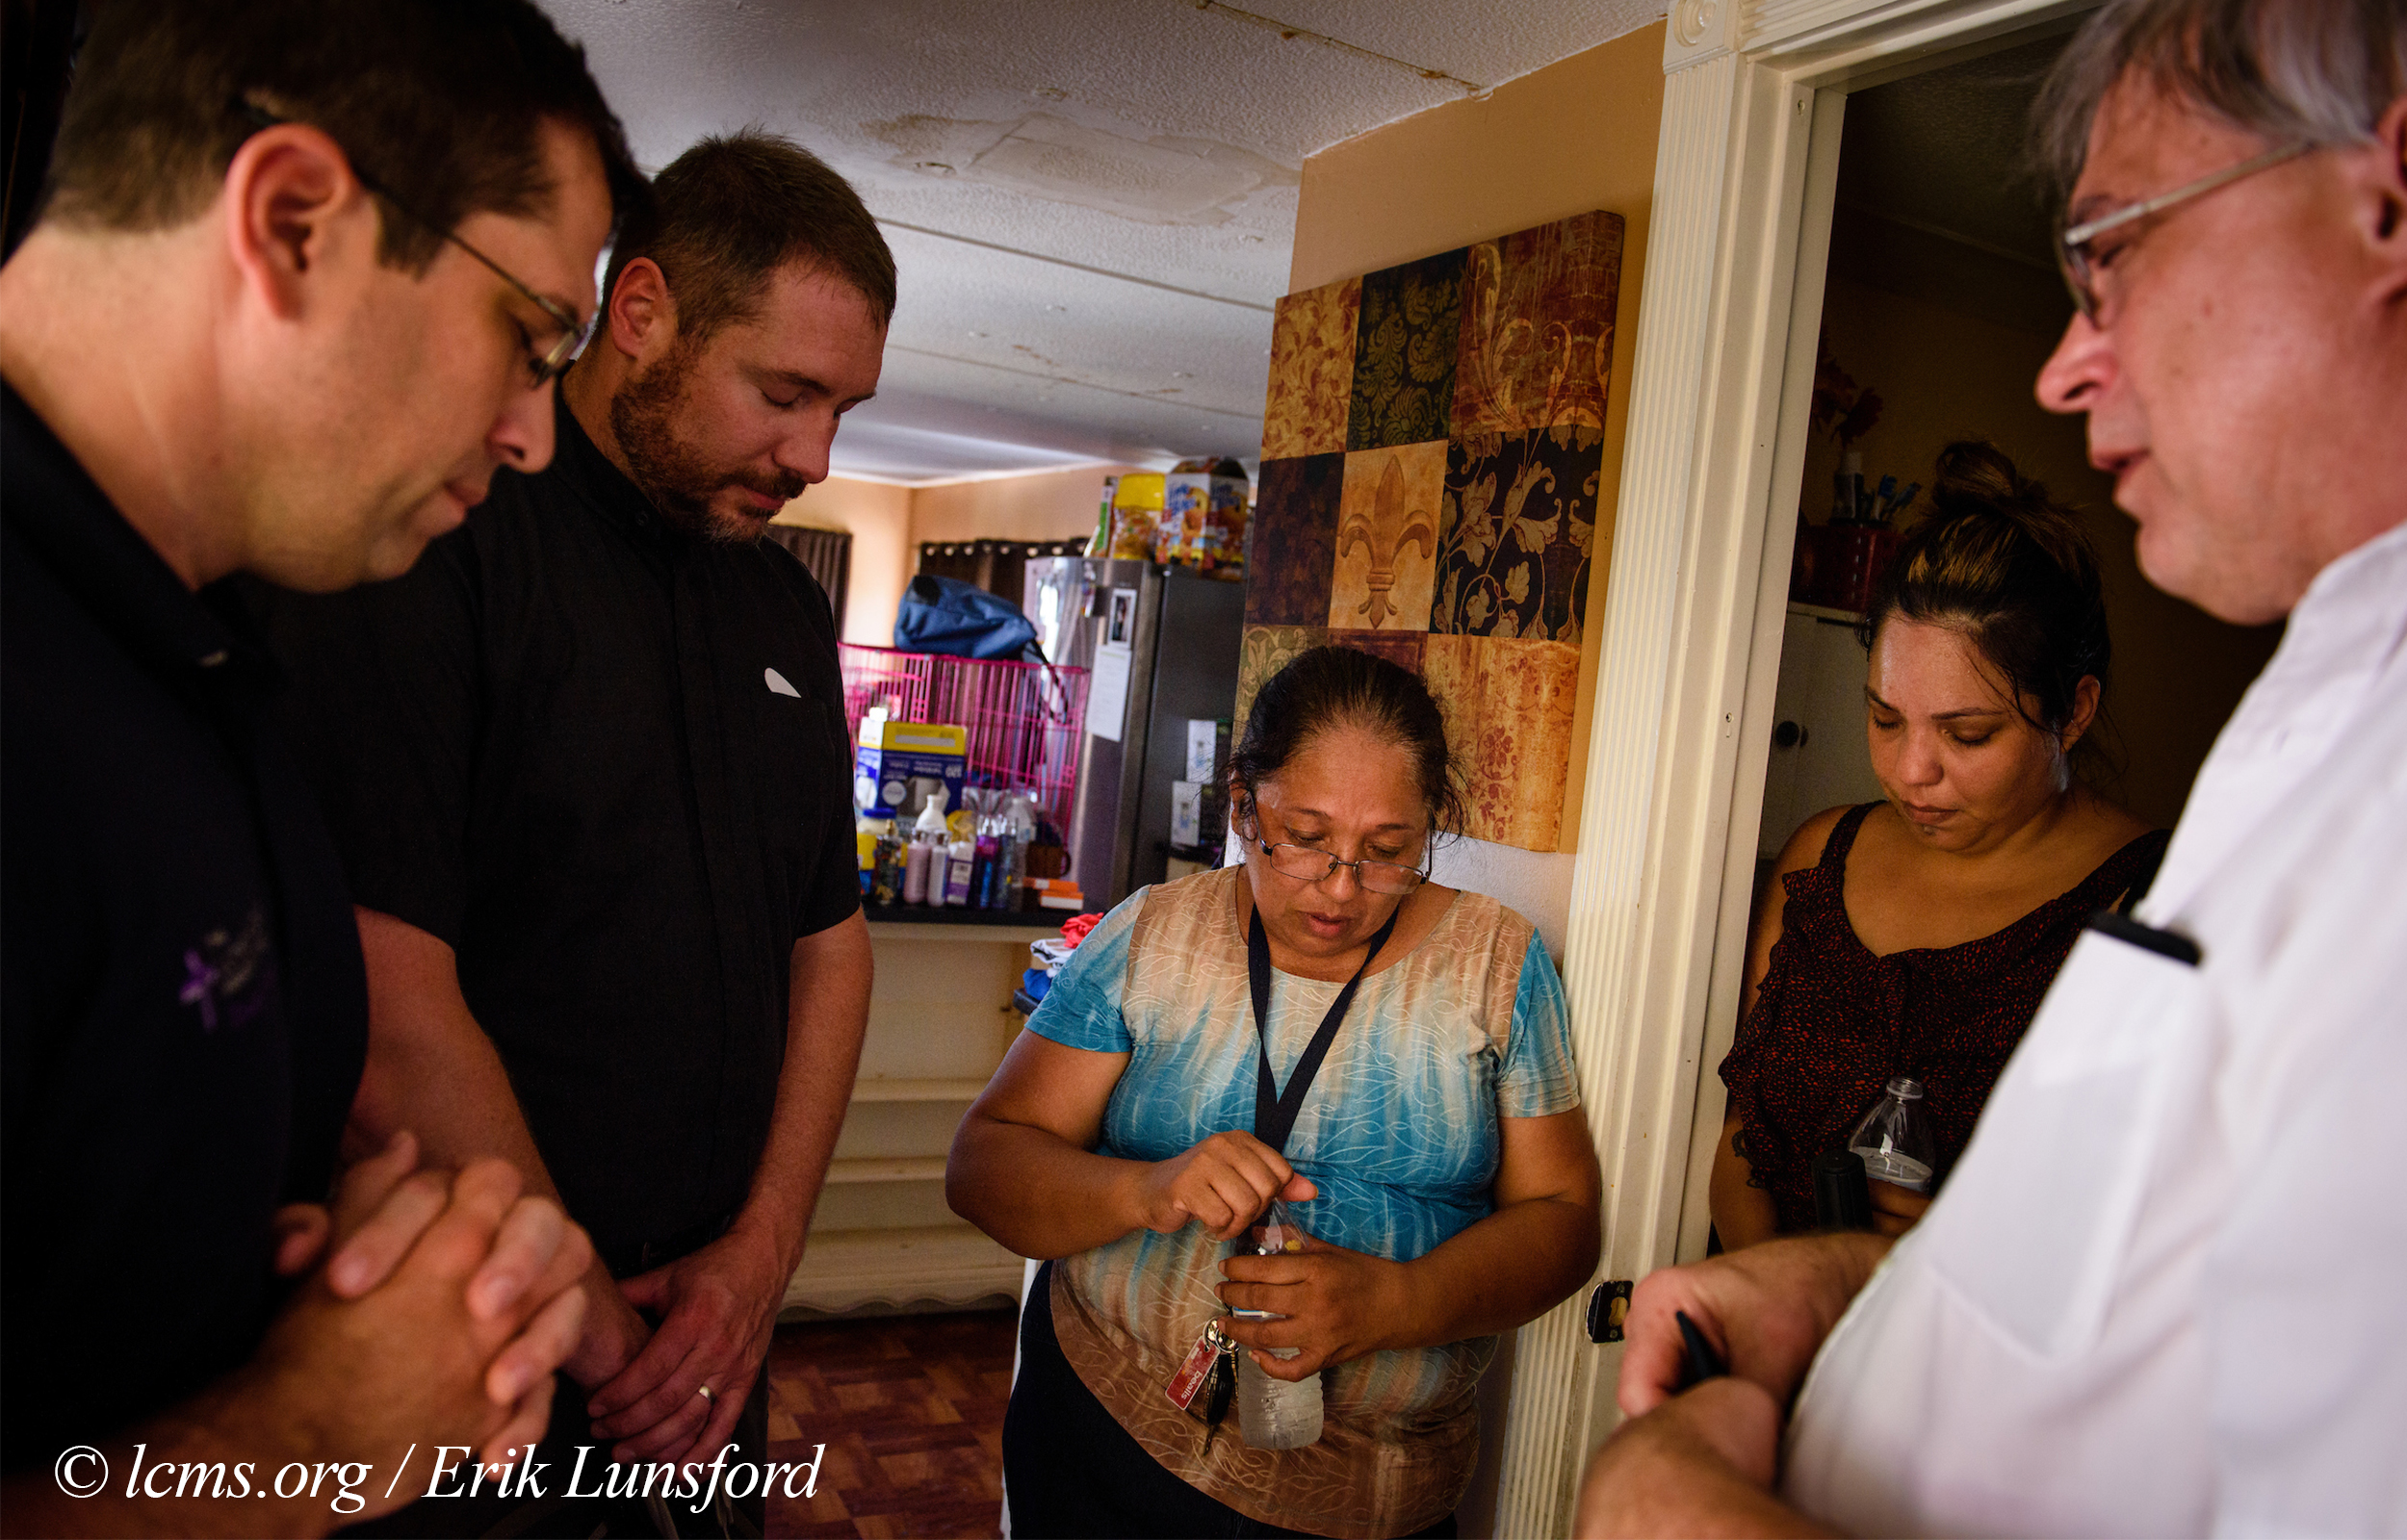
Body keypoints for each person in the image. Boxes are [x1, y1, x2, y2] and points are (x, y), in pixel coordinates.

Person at [1582, 0, 2407, 1533]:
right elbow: (2133, 1316)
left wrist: (1665, 1512)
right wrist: (1826, 1287)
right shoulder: (2325, 718)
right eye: (1891, 723)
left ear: (2388, 198)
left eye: (2117, 250)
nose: (2064, 368)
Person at [0, 1, 645, 1532]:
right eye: (534, 336)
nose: (535, 435)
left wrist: (411, 1279)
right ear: (291, 221)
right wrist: (305, 1435)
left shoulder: (192, 652)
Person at [251, 130, 891, 1530]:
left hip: (712, 1348)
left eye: (844, 411)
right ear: (643, 314)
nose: (814, 456)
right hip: (476, 1340)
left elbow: (829, 948)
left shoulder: (783, 606)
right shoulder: (450, 535)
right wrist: (605, 1338)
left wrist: (764, 1255)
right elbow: (382, 984)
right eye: (785, 394)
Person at [949, 645, 1603, 1540]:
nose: (1342, 887)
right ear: (1242, 805)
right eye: (1303, 838)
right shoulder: (1153, 936)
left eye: (1387, 851)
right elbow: (983, 1165)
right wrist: (1145, 1189)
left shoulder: (1495, 964)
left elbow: (1565, 1218)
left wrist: (1395, 1304)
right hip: (1110, 1448)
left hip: (1377, 1496)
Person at [1713, 442, 2165, 1248]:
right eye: (1886, 719)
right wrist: (1777, 1308)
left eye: (1968, 733)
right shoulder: (1823, 857)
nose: (1910, 771)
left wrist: (1969, 1246)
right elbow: (1743, 1139)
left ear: (2076, 711)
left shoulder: (2151, 901)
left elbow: (2162, 1230)